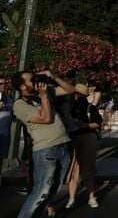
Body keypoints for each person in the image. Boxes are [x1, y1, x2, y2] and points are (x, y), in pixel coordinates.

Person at [12, 70, 75, 218]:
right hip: (46, 151)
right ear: (22, 87)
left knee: (52, 192)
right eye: (31, 80)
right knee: (41, 192)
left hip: (61, 148)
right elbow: (46, 118)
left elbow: (70, 90)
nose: (35, 81)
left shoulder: (43, 94)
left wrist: (53, 76)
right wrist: (44, 95)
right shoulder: (20, 105)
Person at [65, 83, 103, 209]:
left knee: (86, 169)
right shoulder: (68, 108)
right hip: (74, 138)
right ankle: (74, 198)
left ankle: (89, 197)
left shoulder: (88, 108)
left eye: (79, 95)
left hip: (85, 138)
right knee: (74, 170)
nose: (76, 97)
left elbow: (97, 123)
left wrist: (84, 125)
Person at [0, 75, 14, 169]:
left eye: (5, 83)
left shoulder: (9, 99)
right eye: (0, 84)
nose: (3, 85)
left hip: (5, 135)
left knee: (1, 160)